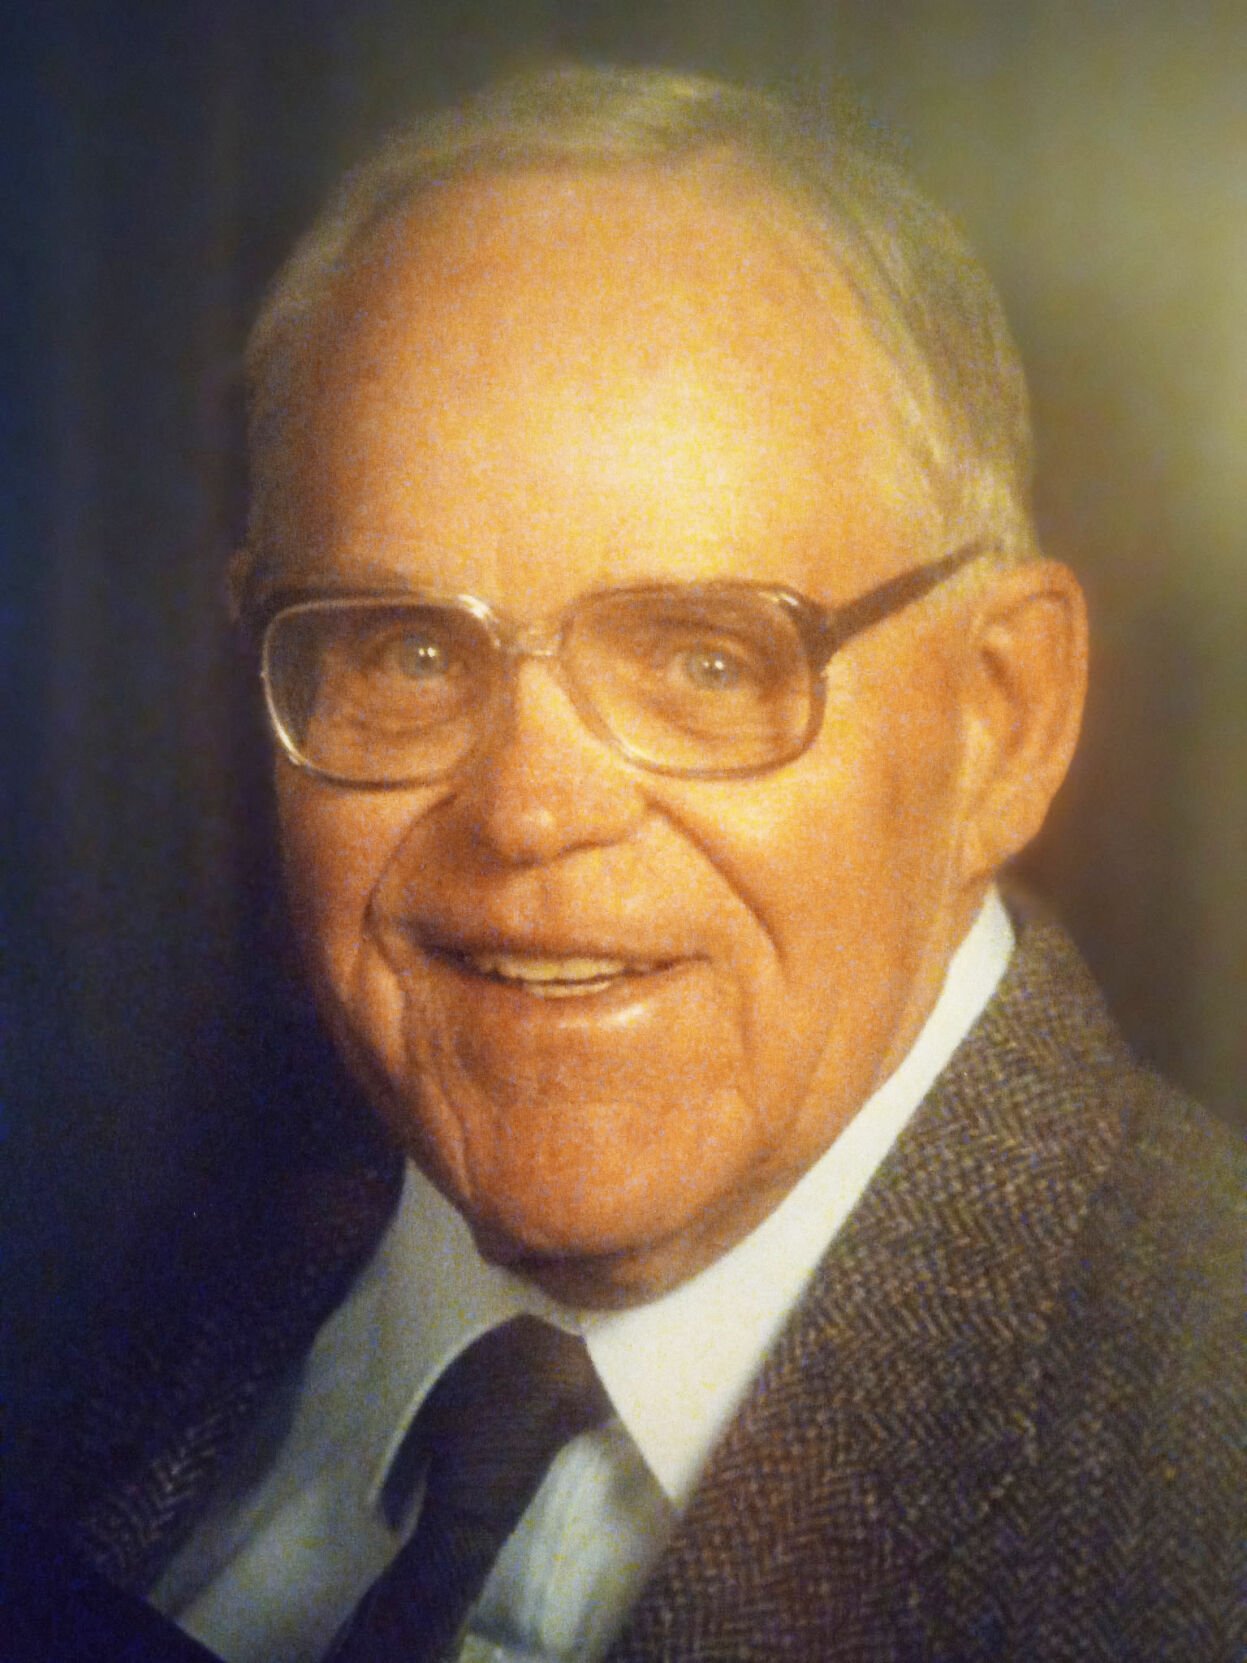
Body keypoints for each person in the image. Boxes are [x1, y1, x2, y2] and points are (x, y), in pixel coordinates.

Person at [40, 64, 1243, 1661]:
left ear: (1000, 721)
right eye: (408, 651)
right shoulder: (110, 1298)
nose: (529, 814)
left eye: (705, 659)